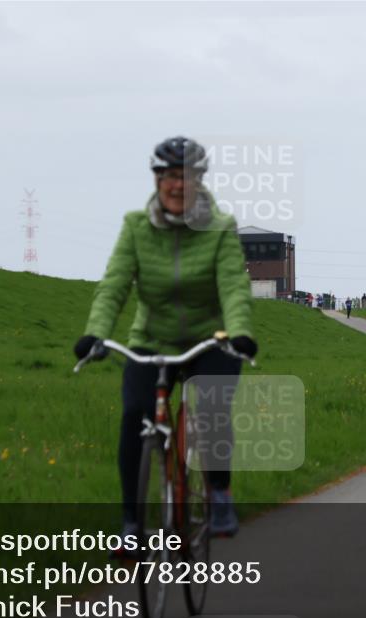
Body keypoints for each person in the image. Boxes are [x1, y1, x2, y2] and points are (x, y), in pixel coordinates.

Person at [73, 136, 258, 547]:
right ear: (157, 180)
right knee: (135, 413)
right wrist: (96, 333)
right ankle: (131, 525)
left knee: (210, 405)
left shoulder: (220, 228)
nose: (178, 185)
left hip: (211, 341)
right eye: (169, 176)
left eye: (187, 176)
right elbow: (114, 285)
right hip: (152, 339)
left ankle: (219, 493)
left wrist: (241, 333)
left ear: (200, 181)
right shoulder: (135, 227)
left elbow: (233, 286)